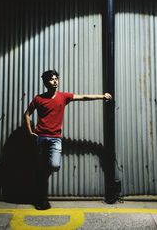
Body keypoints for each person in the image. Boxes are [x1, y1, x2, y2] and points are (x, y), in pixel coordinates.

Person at [24, 69, 112, 210]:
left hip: (55, 138)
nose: (55, 81)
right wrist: (30, 132)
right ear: (46, 82)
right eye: (52, 79)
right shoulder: (38, 99)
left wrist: (102, 96)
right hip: (40, 138)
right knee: (40, 170)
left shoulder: (63, 97)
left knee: (54, 165)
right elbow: (27, 115)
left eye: (56, 78)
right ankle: (41, 200)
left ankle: (42, 181)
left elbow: (83, 97)